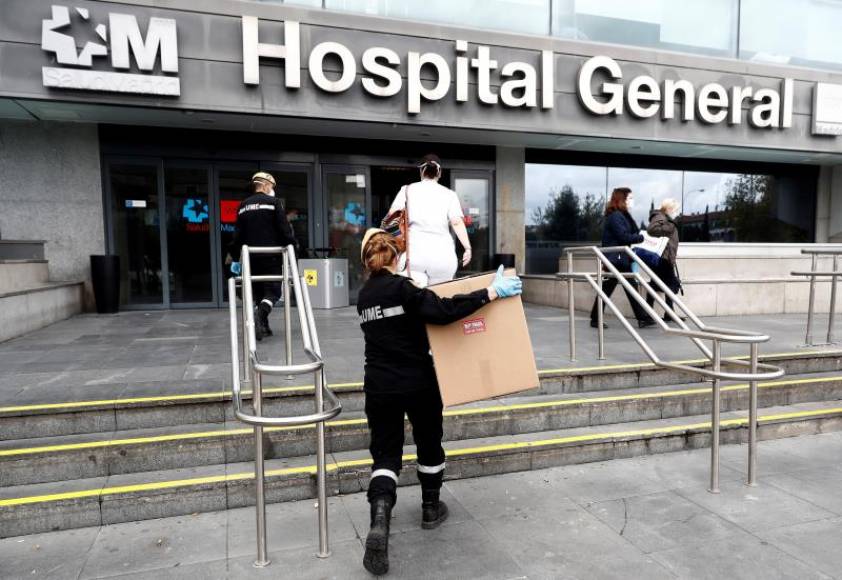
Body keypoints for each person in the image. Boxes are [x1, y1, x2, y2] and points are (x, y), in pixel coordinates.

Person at [357, 228, 522, 575]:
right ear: (398, 257)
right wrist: (491, 291)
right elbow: (444, 311)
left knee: (385, 453)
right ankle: (431, 507)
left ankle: (381, 517)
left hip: (379, 384)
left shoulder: (364, 296)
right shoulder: (404, 289)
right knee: (429, 440)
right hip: (418, 381)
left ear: (368, 262)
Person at [229, 172, 297, 341]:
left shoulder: (243, 206)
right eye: (271, 187)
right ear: (266, 185)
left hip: (250, 257)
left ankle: (263, 326)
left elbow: (237, 235)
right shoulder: (274, 203)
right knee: (273, 291)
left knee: (259, 292)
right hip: (271, 255)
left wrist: (233, 254)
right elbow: (284, 230)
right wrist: (292, 244)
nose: (272, 190)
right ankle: (259, 318)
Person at [387, 153, 472, 287]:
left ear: (421, 171)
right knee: (439, 301)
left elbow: (392, 218)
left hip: (415, 255)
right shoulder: (449, 195)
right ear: (439, 173)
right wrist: (467, 248)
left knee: (414, 300)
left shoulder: (407, 190)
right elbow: (456, 222)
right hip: (443, 257)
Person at [589, 187, 656, 329]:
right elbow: (623, 236)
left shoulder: (623, 215)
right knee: (629, 287)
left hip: (619, 257)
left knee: (608, 288)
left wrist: (642, 235)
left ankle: (595, 318)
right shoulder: (615, 216)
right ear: (622, 199)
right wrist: (642, 238)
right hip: (617, 257)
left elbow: (632, 232)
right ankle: (642, 317)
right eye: (630, 198)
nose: (632, 201)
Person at [646, 198, 682, 321]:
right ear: (669, 208)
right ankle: (663, 314)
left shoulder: (666, 219)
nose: (677, 212)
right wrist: (670, 226)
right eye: (676, 210)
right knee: (669, 284)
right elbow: (651, 230)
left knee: (658, 284)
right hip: (662, 258)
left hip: (665, 258)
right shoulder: (661, 217)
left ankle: (651, 314)